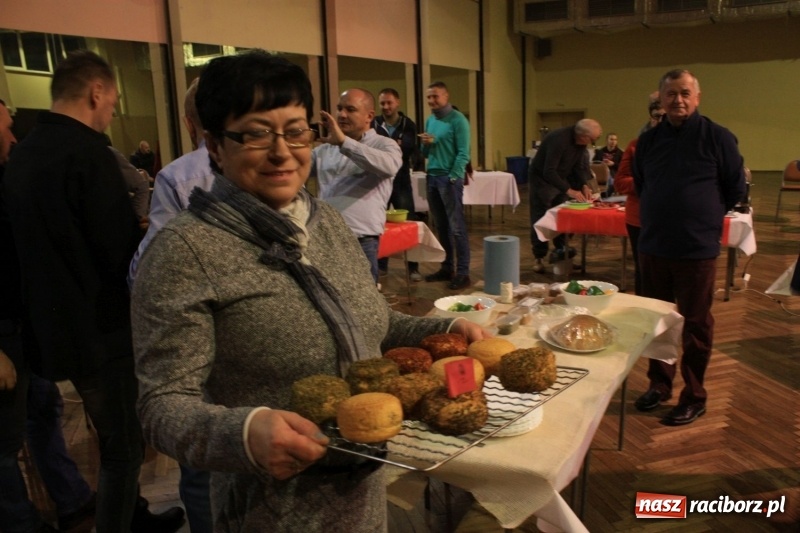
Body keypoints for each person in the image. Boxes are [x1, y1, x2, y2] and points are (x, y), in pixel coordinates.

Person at [130, 50, 488, 531]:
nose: (282, 151)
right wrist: (243, 433)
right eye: (257, 133)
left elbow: (369, 325)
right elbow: (161, 406)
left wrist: (448, 327)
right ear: (214, 145)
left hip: (361, 495)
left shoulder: (326, 224)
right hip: (273, 510)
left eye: (296, 131)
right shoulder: (186, 252)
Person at [1, 50, 184, 532]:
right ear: (96, 92)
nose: (112, 112)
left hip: (48, 330)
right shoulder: (89, 154)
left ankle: (136, 516)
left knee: (107, 437)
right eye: (114, 100)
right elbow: (117, 252)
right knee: (123, 448)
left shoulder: (22, 154)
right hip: (101, 331)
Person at [632, 69, 746, 425]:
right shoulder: (648, 141)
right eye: (671, 95)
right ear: (661, 100)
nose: (678, 100)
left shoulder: (718, 137)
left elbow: (734, 188)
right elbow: (642, 183)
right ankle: (660, 384)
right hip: (653, 246)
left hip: (696, 248)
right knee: (658, 323)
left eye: (685, 93)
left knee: (696, 325)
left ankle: (695, 395)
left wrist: (701, 217)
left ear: (697, 98)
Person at [127, 77, 214, 533]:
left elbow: (152, 268)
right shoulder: (278, 170)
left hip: (196, 337)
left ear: (187, 123)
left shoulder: (178, 176)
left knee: (200, 459)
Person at [312, 88, 401, 283]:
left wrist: (344, 143)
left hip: (360, 239)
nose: (342, 115)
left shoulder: (385, 145)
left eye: (350, 109)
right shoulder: (326, 148)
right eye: (339, 108)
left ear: (369, 115)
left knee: (364, 304)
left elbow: (389, 166)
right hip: (325, 236)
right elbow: (296, 171)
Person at [528, 118, 602, 273]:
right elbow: (549, 171)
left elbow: (580, 166)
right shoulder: (558, 140)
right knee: (541, 217)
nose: (593, 143)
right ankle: (539, 257)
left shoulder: (580, 143)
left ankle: (563, 256)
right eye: (593, 140)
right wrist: (570, 190)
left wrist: (583, 185)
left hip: (561, 179)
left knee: (562, 217)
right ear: (583, 136)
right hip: (542, 181)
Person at [419, 81, 472, 290]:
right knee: (441, 226)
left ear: (446, 96)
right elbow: (426, 154)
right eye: (429, 97)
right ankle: (447, 267)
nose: (432, 101)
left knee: (457, 227)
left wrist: (453, 177)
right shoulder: (430, 120)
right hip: (431, 176)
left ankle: (463, 272)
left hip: (448, 180)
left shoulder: (458, 120)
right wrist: (425, 146)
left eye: (435, 96)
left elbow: (463, 153)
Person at [614, 98, 664, 296]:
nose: (661, 121)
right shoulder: (635, 146)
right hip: (640, 219)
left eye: (666, 116)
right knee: (643, 271)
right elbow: (620, 182)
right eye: (657, 116)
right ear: (651, 118)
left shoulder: (686, 145)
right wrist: (649, 184)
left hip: (673, 220)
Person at [372, 87, 422, 281]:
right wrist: (393, 145)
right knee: (378, 223)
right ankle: (381, 265)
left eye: (389, 102)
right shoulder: (374, 122)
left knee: (408, 223)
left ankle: (413, 268)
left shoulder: (408, 124)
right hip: (379, 181)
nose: (385, 106)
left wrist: (383, 146)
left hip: (401, 181)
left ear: (397, 103)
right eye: (382, 103)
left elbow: (407, 148)